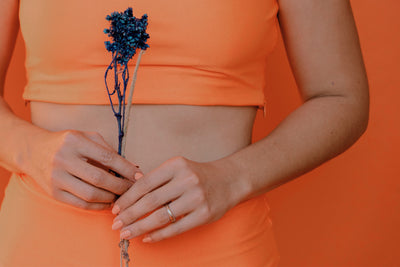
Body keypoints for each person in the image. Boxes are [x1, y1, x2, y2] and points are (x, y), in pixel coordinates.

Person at [0, 0, 369, 266]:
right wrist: (29, 150)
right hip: (41, 244)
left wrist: (233, 178)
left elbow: (341, 97)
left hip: (220, 249)